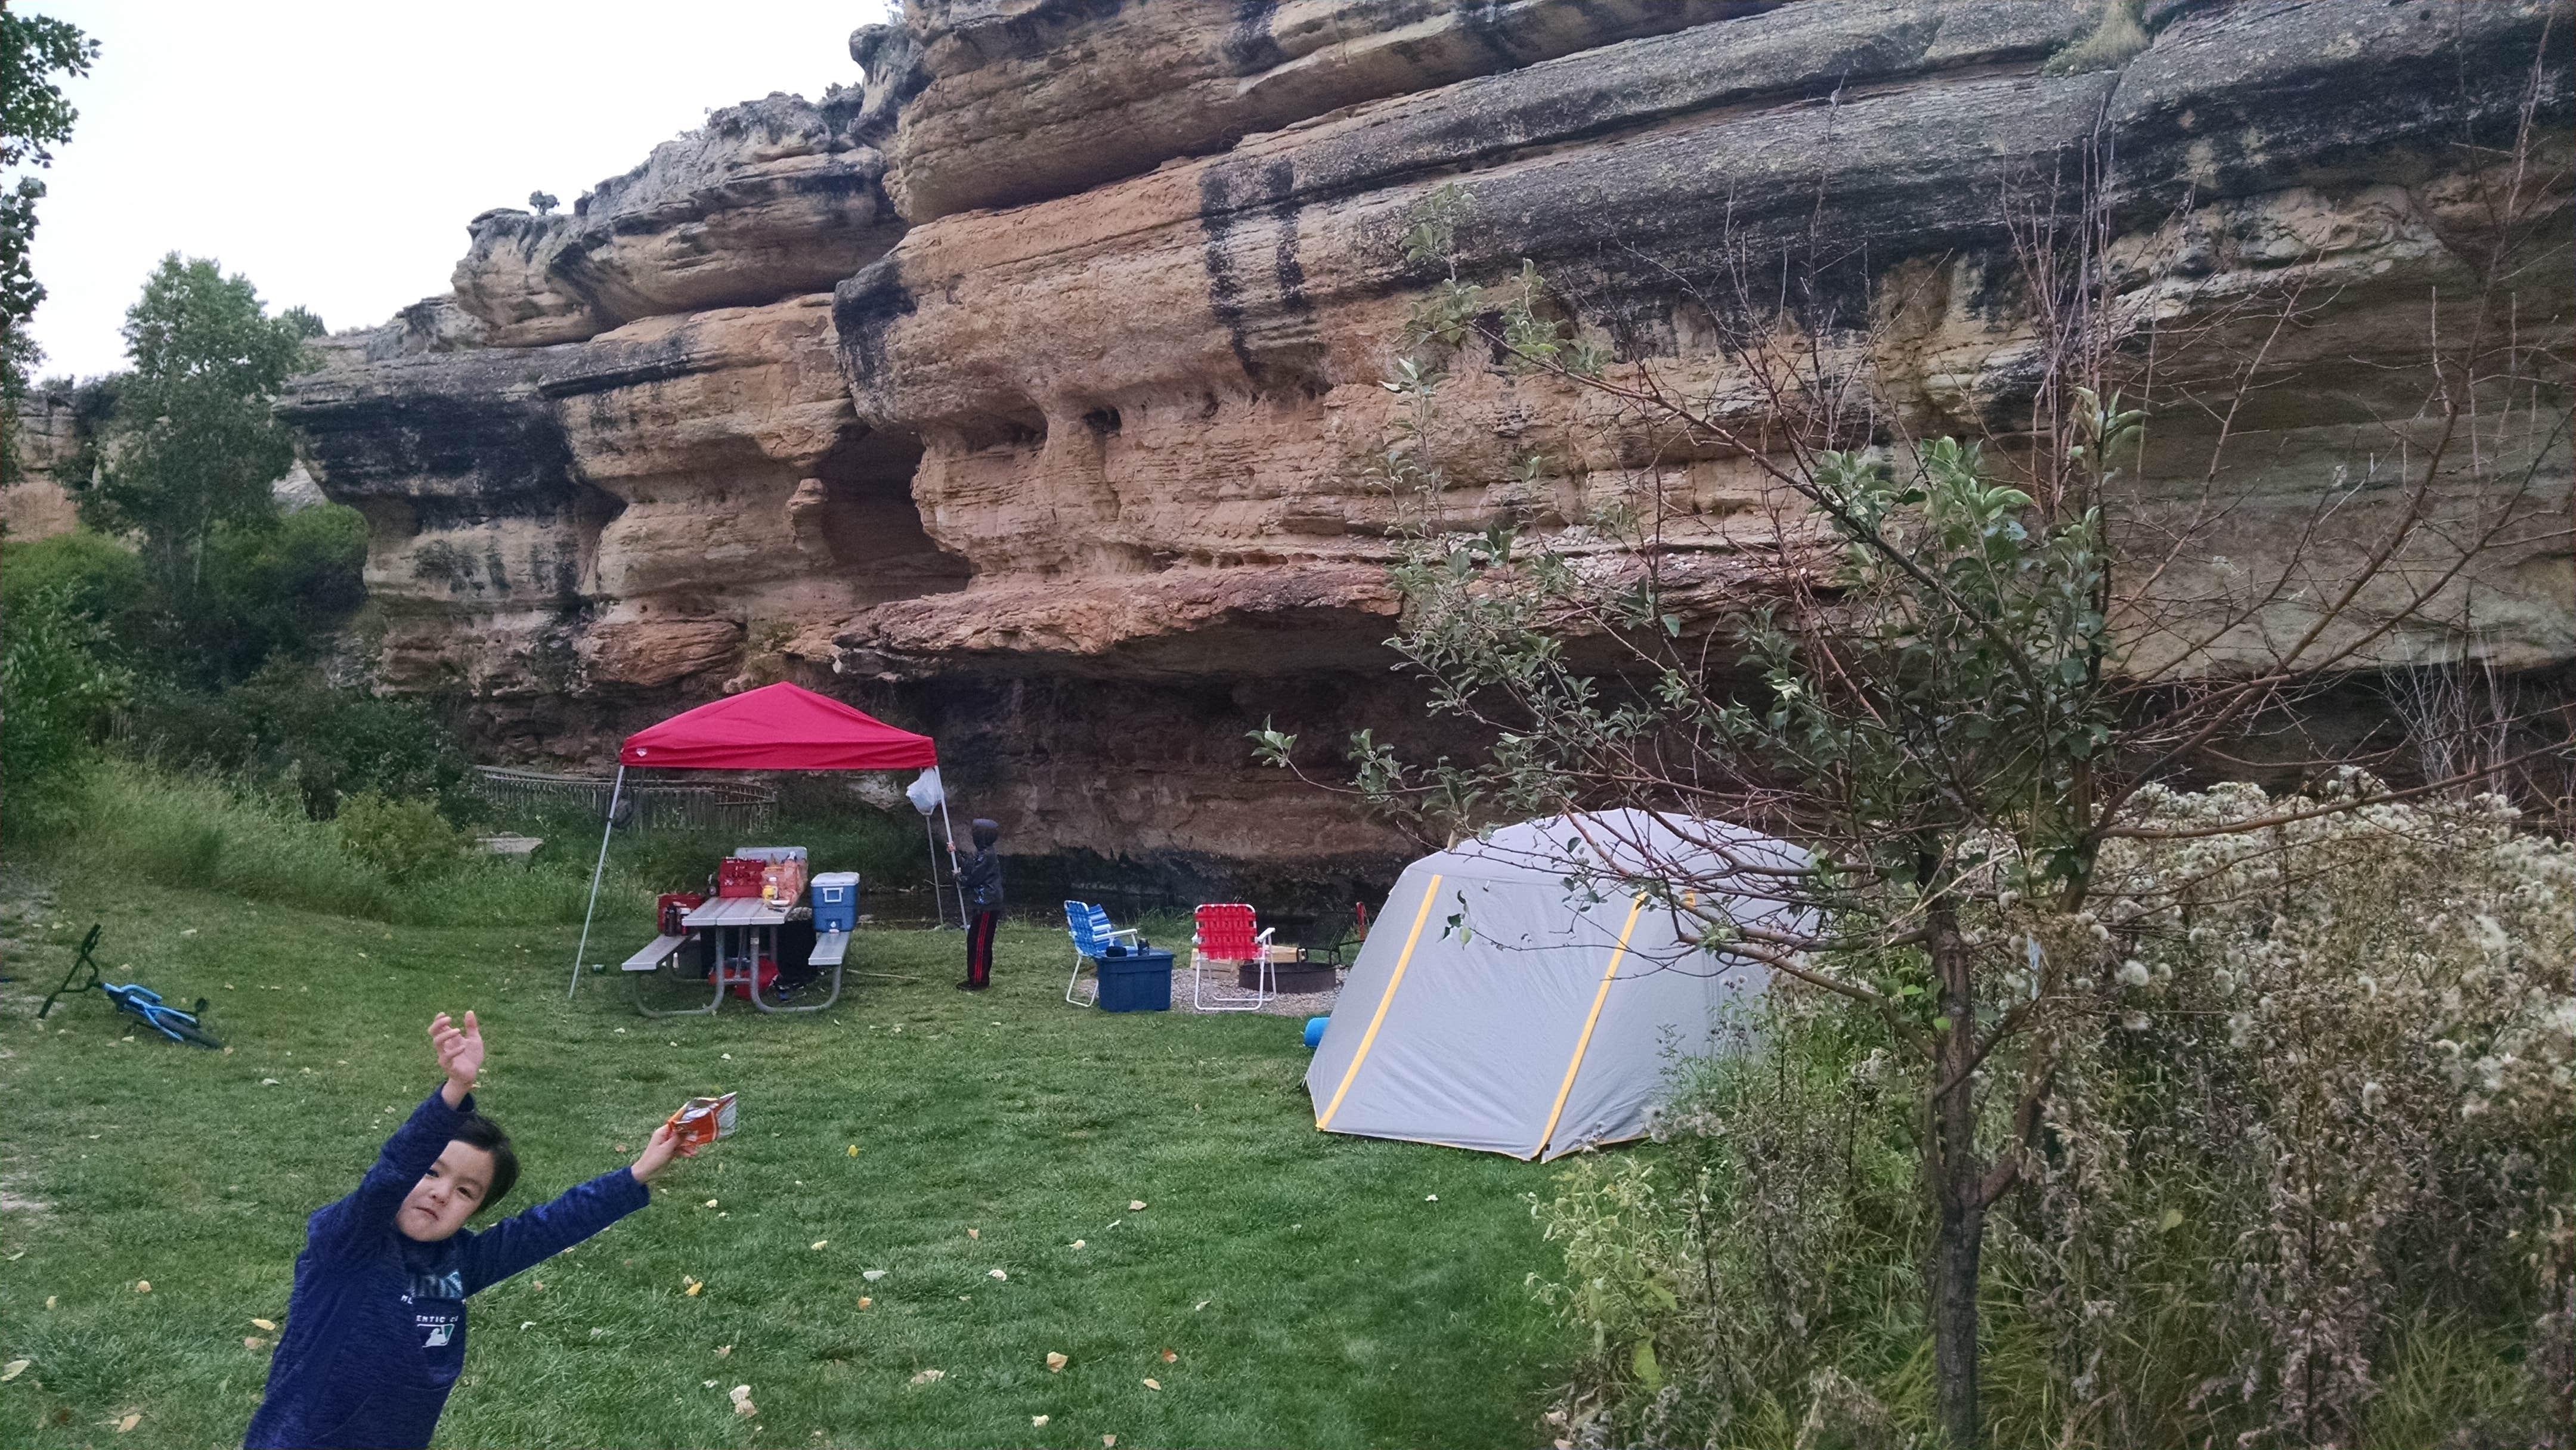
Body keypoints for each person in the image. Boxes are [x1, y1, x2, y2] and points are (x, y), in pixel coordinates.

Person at [244, 1011, 705, 1449]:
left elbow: (547, 1228)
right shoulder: (348, 1241)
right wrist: (455, 1090)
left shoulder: (460, 1262)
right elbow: (390, 1173)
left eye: (466, 1192)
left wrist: (638, 1172)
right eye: (431, 1172)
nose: (442, 1193)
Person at [954, 817, 1004, 990]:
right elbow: (970, 866)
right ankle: (976, 977)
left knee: (980, 943)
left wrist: (959, 878)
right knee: (974, 941)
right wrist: (956, 855)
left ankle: (978, 981)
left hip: (987, 905)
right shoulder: (983, 853)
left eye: (975, 832)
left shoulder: (987, 856)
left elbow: (974, 878)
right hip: (982, 905)